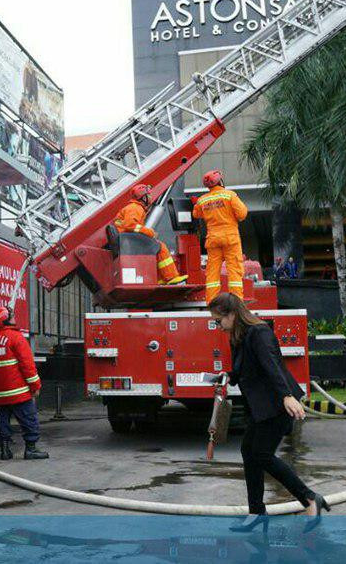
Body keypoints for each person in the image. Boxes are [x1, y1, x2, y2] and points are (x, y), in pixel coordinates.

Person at [208, 293, 329, 532]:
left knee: (261, 454)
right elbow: (245, 369)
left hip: (276, 404)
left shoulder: (260, 333)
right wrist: (228, 376)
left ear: (232, 315)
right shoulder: (238, 336)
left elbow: (272, 366)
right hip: (260, 406)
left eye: (218, 320)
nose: (217, 326)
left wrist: (286, 396)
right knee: (248, 451)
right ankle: (256, 512)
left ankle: (309, 498)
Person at [0, 307, 48, 461]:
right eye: (12, 315)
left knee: (2, 421)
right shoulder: (16, 337)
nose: (14, 317)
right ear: (6, 319)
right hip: (18, 391)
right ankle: (31, 449)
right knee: (29, 418)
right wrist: (35, 385)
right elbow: (27, 365)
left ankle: (5, 450)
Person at [113, 184, 187, 285]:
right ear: (143, 197)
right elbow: (130, 225)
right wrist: (150, 232)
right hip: (128, 242)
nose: (150, 198)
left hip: (127, 241)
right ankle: (171, 277)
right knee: (160, 246)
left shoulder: (133, 207)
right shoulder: (135, 208)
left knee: (155, 247)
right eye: (148, 195)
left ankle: (161, 279)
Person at [192, 171, 248, 303]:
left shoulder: (203, 200)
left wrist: (196, 204)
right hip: (230, 238)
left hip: (213, 239)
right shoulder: (229, 195)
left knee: (212, 271)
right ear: (220, 182)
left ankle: (211, 301)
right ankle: (236, 301)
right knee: (234, 269)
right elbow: (242, 214)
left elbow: (196, 214)